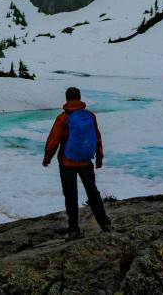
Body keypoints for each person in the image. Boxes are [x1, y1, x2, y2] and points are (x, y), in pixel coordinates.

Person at [42, 86, 111, 239]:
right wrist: (99, 157)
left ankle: (74, 229)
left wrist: (47, 158)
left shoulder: (63, 118)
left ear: (66, 99)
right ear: (79, 98)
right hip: (86, 161)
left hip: (67, 163)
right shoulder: (90, 116)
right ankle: (104, 223)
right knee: (93, 192)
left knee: (70, 195)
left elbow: (53, 141)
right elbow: (96, 138)